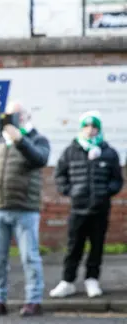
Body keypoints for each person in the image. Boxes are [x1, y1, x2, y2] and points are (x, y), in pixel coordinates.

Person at [0, 101, 50, 317]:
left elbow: (40, 159)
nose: (14, 118)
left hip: (25, 208)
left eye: (18, 114)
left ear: (26, 116)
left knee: (30, 257)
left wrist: (20, 140)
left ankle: (33, 300)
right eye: (10, 115)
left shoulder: (37, 139)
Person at [50, 111, 123, 298]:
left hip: (100, 208)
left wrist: (106, 192)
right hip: (78, 208)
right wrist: (70, 191)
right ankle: (68, 281)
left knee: (96, 246)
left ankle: (92, 279)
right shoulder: (71, 151)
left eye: (94, 127)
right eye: (87, 126)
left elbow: (117, 180)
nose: (90, 130)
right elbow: (60, 175)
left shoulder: (108, 152)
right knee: (74, 246)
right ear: (81, 128)